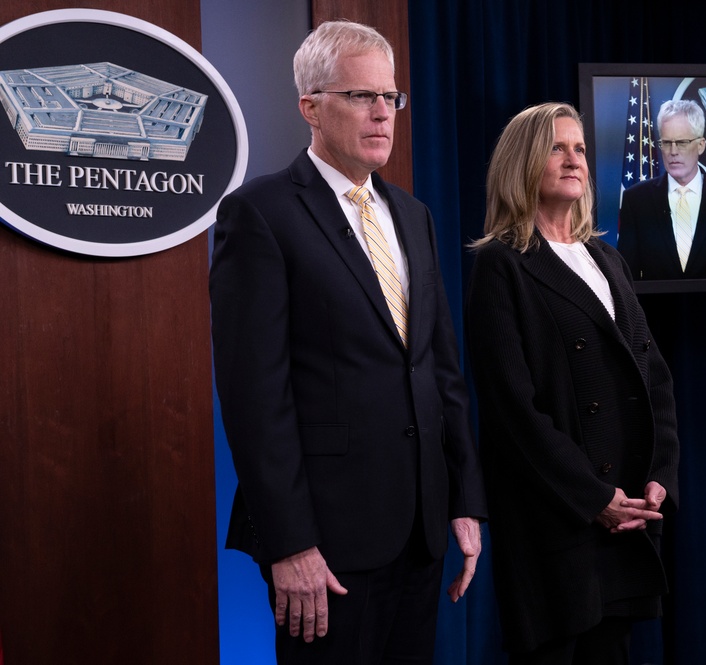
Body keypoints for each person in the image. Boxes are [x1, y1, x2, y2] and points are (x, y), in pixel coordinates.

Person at [209, 20, 487, 664]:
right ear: (310, 107)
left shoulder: (412, 214)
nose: (382, 113)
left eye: (390, 97)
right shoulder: (260, 214)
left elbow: (442, 370)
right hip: (325, 545)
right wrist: (289, 543)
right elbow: (255, 398)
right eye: (362, 97)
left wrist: (464, 499)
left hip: (420, 530)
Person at [465, 101, 680, 665]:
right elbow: (512, 409)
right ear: (522, 163)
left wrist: (660, 477)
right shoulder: (502, 264)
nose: (573, 159)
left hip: (625, 516)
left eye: (580, 148)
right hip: (557, 522)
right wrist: (593, 498)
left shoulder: (607, 257)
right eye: (556, 148)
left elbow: (653, 378)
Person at [617, 99, 706, 280]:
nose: (673, 151)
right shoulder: (636, 200)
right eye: (667, 143)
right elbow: (627, 280)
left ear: (701, 145)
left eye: (682, 142)